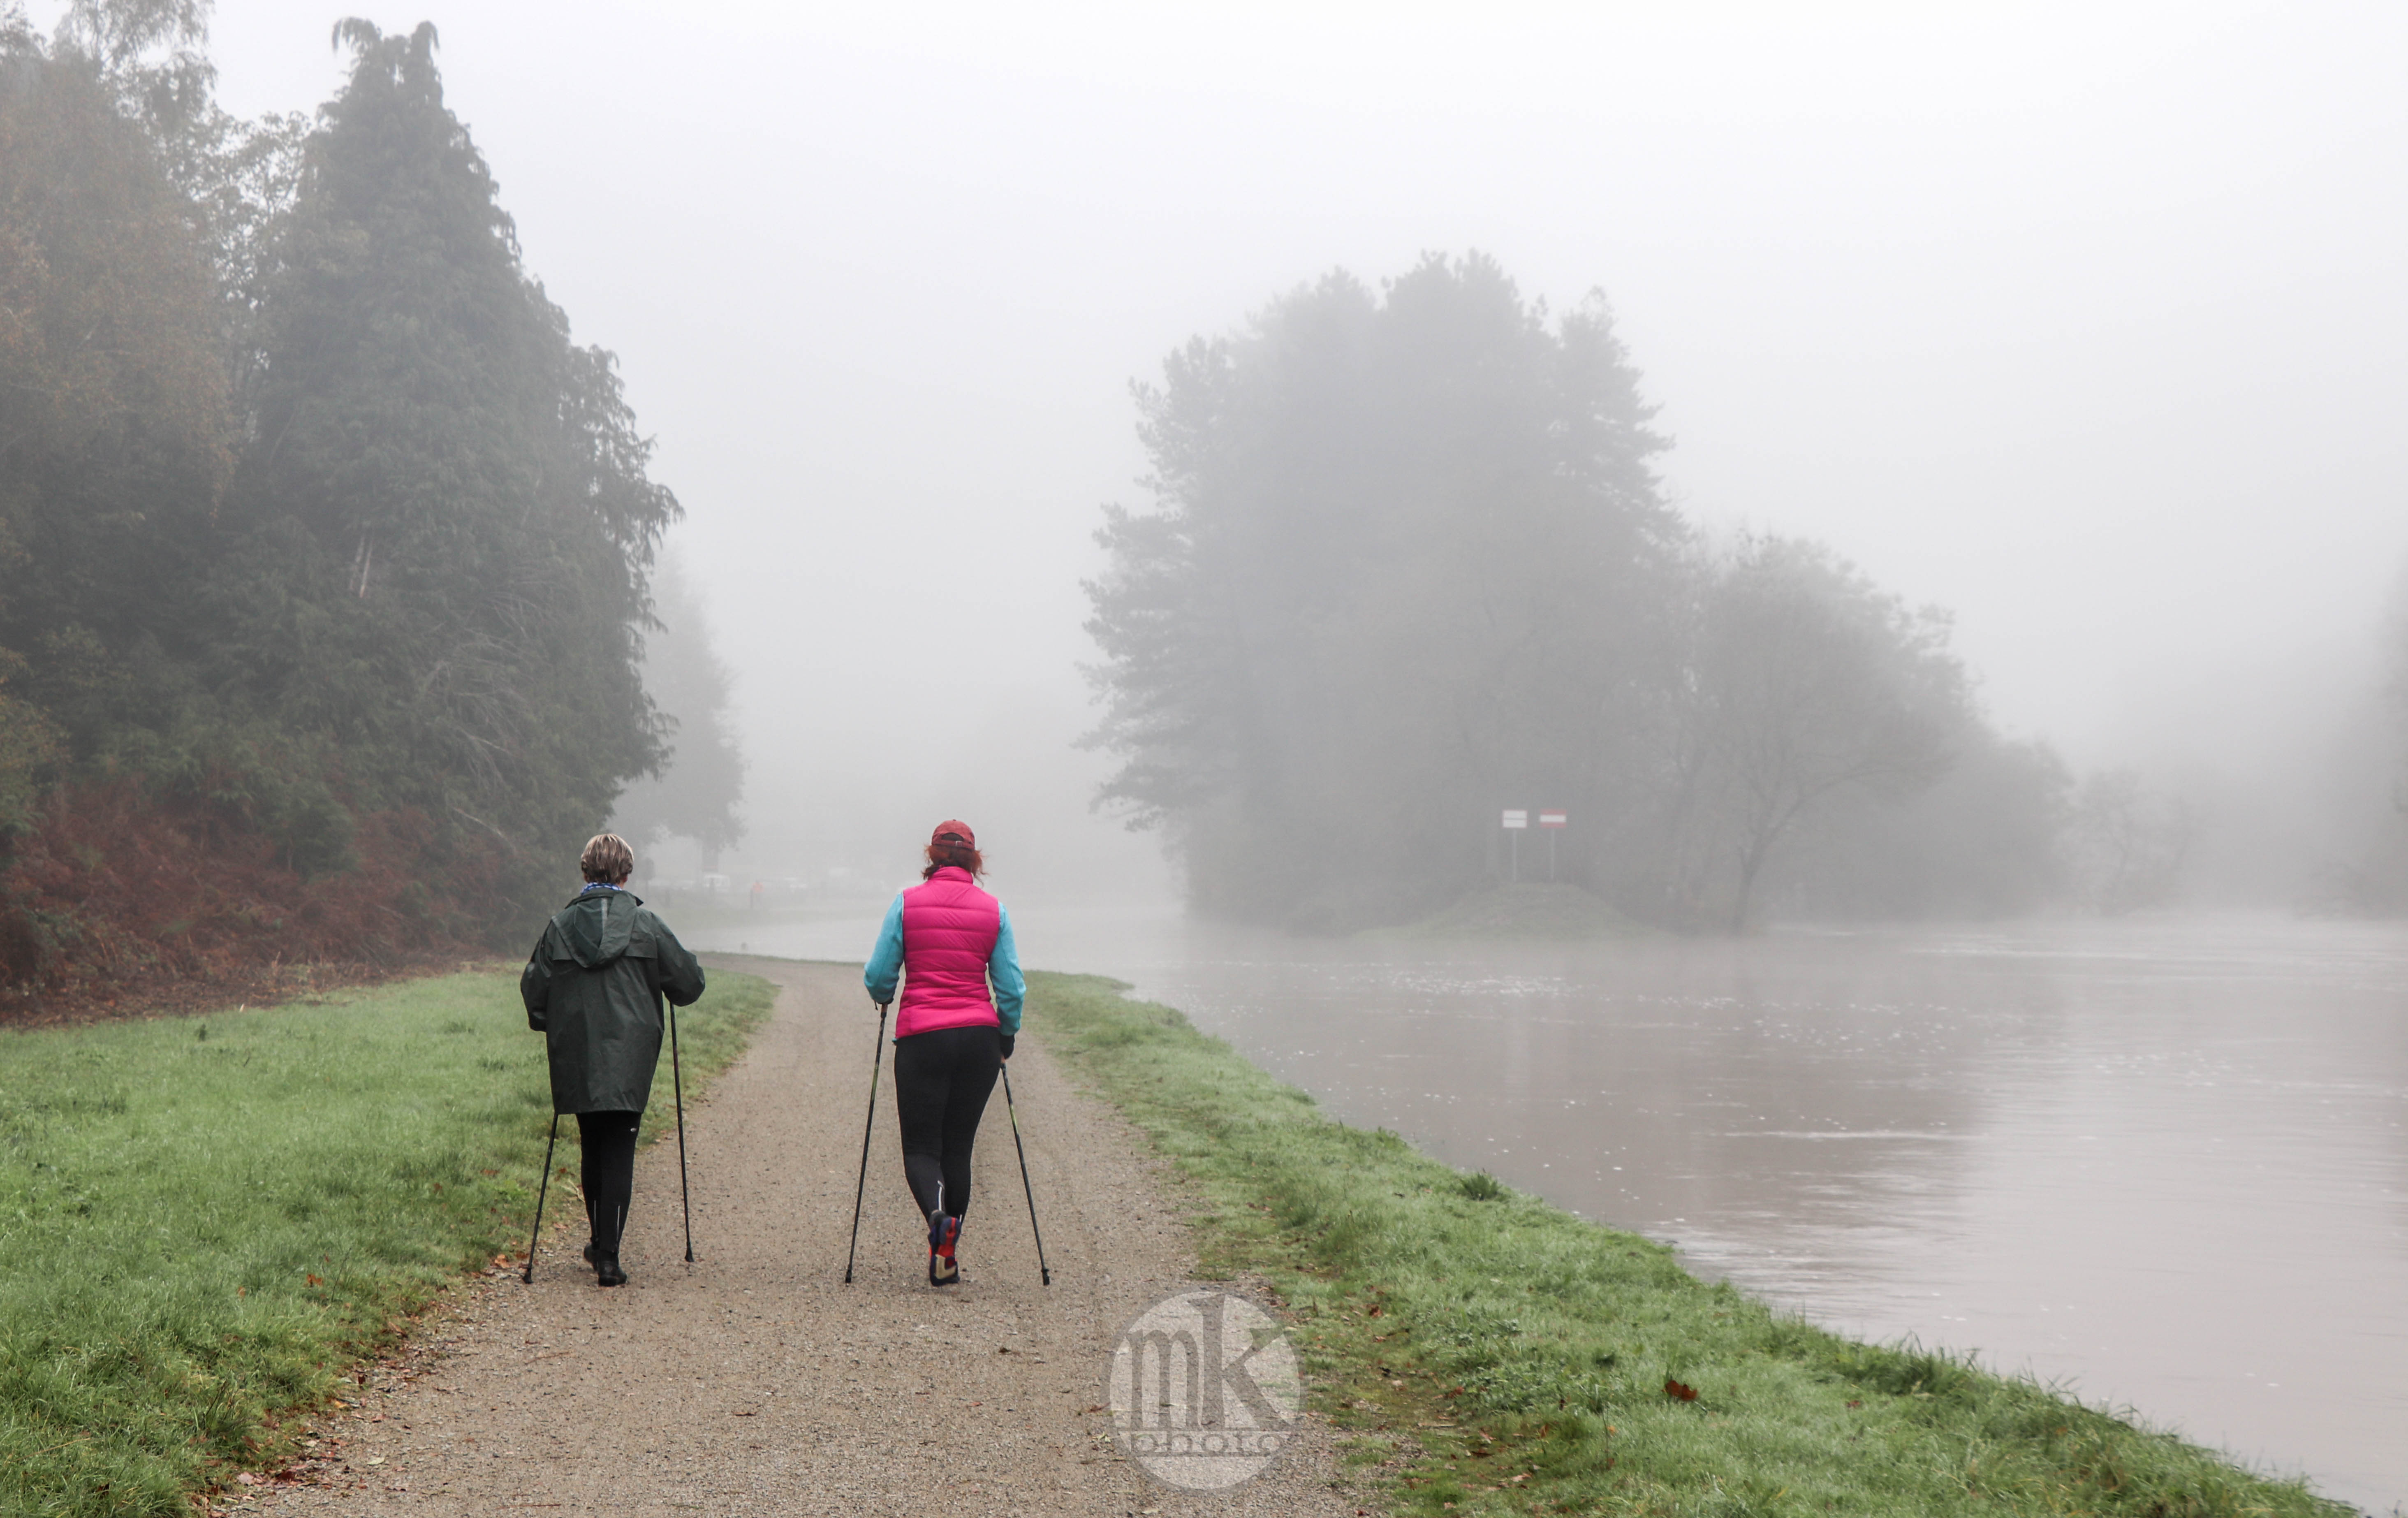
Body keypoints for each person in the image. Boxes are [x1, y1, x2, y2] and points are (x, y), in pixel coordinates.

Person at [521, 832, 705, 1286]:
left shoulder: (560, 926)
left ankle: (599, 1243)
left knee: (592, 1143)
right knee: (620, 1147)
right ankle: (609, 1257)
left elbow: (534, 993)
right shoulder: (647, 925)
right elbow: (689, 986)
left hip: (579, 1054)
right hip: (631, 1056)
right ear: (627, 874)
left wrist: (555, 1025)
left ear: (585, 871)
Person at [864, 820, 1025, 1285]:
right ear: (975, 860)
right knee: (959, 1146)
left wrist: (886, 994)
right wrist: (1006, 1035)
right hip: (979, 1040)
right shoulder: (994, 910)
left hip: (923, 1038)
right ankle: (946, 1253)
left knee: (921, 1148)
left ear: (932, 856)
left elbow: (878, 975)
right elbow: (1012, 988)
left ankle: (938, 1218)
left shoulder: (906, 903)